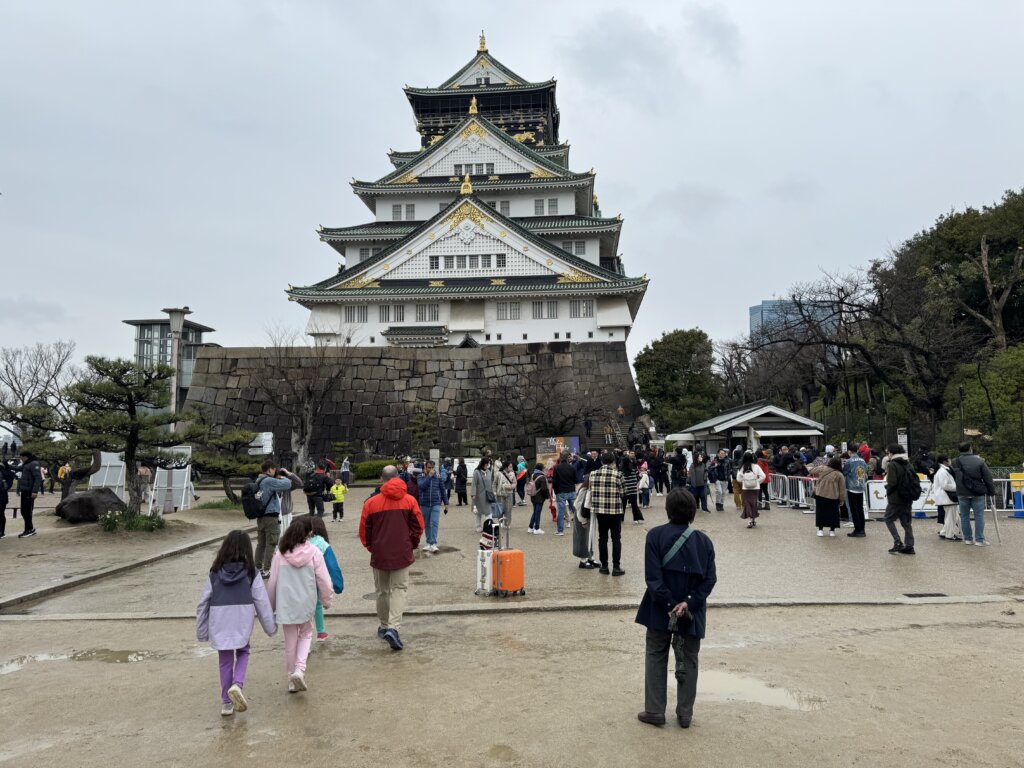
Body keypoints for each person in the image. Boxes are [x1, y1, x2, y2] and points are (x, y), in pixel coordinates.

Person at [636, 488, 717, 729]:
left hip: (659, 608)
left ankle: (654, 709)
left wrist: (671, 604)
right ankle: (685, 713)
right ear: (693, 511)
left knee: (656, 655)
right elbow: (710, 579)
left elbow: (652, 578)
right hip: (692, 611)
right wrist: (688, 603)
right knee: (689, 659)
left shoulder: (655, 536)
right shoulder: (704, 541)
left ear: (668, 510)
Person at [196, 530, 277, 716]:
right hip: (241, 620)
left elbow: (203, 603)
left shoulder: (214, 574)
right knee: (243, 651)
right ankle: (237, 684)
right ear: (248, 549)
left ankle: (226, 702)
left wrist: (202, 631)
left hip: (220, 620)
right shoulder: (251, 574)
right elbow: (262, 603)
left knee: (224, 660)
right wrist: (270, 628)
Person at [359, 465, 423, 651]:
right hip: (402, 551)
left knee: (382, 591)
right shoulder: (410, 500)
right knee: (399, 589)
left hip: (379, 552)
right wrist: (411, 543)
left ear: (382, 479)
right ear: (398, 477)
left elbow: (364, 531)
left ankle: (384, 625)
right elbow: (418, 526)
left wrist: (372, 547)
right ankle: (394, 628)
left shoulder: (371, 503)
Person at [267, 517, 333, 692]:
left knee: (290, 641)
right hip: (306, 603)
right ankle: (299, 670)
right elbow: (324, 580)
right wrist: (326, 600)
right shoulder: (314, 553)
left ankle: (291, 678)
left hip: (285, 604)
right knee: (305, 634)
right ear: (310, 532)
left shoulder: (279, 555)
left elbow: (272, 583)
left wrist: (270, 607)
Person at [253, 460, 299, 577]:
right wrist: (284, 476)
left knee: (261, 544)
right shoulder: (268, 480)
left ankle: (257, 568)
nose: (275, 472)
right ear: (270, 469)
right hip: (270, 517)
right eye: (274, 469)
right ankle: (267, 570)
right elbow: (288, 483)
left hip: (261, 517)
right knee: (271, 543)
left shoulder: (258, 480)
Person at [588, 451, 626, 576]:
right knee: (616, 539)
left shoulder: (593, 474)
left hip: (600, 511)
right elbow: (623, 492)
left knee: (602, 538)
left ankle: (604, 566)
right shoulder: (618, 475)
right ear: (613, 462)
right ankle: (616, 567)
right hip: (615, 511)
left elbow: (591, 490)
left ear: (602, 461)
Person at [308, 516, 345, 641]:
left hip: (300, 582)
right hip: (316, 582)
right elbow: (332, 567)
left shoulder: (301, 542)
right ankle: (321, 632)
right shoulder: (323, 544)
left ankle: (311, 632)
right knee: (317, 605)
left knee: (306, 607)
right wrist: (338, 586)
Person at [952, 442, 996, 547]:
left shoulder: (954, 462)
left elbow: (954, 476)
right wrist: (991, 491)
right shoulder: (980, 461)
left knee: (964, 516)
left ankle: (968, 539)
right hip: (977, 493)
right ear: (970, 448)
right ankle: (980, 540)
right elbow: (988, 478)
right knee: (979, 516)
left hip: (962, 492)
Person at [883, 443, 917, 555]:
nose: (887, 455)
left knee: (888, 518)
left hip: (896, 499)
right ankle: (910, 546)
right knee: (906, 523)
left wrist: (887, 489)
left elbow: (892, 482)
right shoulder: (908, 463)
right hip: (908, 497)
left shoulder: (892, 465)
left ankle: (897, 542)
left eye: (887, 452)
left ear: (892, 453)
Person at [417, 460, 449, 553]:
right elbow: (422, 486)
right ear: (425, 468)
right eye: (429, 468)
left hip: (436, 503)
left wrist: (446, 503)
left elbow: (443, 490)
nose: (431, 470)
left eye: (432, 468)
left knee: (434, 523)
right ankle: (428, 543)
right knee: (426, 524)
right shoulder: (420, 476)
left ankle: (434, 543)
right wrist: (429, 476)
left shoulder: (438, 477)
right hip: (424, 503)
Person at [810, 457, 846, 537]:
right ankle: (832, 530)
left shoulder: (823, 468)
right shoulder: (839, 474)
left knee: (820, 512)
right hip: (833, 496)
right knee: (833, 514)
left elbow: (812, 470)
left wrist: (821, 466)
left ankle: (820, 529)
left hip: (820, 494)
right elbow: (842, 488)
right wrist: (842, 498)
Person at [933, 455, 962, 541]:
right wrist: (958, 487)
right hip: (947, 498)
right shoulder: (943, 472)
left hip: (946, 498)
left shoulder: (943, 470)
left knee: (953, 517)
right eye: (949, 460)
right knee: (951, 518)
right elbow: (945, 485)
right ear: (945, 461)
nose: (950, 461)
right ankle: (949, 535)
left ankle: (945, 532)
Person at [842, 445, 869, 538]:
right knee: (860, 509)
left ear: (849, 452)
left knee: (854, 510)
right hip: (861, 487)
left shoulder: (849, 461)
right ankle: (862, 529)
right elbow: (866, 470)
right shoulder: (862, 460)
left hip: (852, 487)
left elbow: (844, 472)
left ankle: (857, 530)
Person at [15, 450, 42, 538]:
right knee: (24, 511)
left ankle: (29, 529)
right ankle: (29, 529)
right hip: (25, 490)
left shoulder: (34, 464)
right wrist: (6, 465)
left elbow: (38, 478)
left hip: (29, 491)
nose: (20, 459)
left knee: (27, 511)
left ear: (25, 457)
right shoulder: (27, 464)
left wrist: (35, 491)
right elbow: (17, 468)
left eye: (21, 457)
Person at [736, 451, 766, 528]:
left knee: (747, 503)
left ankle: (750, 520)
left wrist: (745, 480)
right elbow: (763, 476)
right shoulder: (756, 466)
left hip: (746, 488)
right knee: (754, 503)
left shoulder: (742, 467)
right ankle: (753, 519)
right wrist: (757, 482)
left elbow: (738, 479)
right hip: (755, 488)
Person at [551, 451, 578, 536]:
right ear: (567, 458)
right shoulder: (572, 468)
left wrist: (556, 491)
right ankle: (580, 528)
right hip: (571, 490)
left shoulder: (556, 468)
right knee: (575, 510)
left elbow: (554, 482)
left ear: (560, 457)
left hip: (561, 491)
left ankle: (560, 530)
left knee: (561, 511)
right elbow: (576, 480)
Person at [275, 465, 302, 532]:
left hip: (288, 513)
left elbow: (299, 483)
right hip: (278, 514)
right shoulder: (274, 484)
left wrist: (289, 474)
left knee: (288, 534)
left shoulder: (288, 485)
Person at [472, 457, 495, 532]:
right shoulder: (476, 472)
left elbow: (491, 483)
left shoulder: (489, 472)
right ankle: (478, 526)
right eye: (487, 464)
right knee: (478, 513)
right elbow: (474, 484)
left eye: (488, 464)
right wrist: (473, 494)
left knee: (488, 512)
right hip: (479, 495)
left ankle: (488, 526)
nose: (488, 465)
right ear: (483, 464)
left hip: (487, 495)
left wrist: (492, 492)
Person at [620, 453, 644, 524]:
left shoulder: (621, 472)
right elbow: (640, 476)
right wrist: (635, 482)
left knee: (622, 505)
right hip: (633, 490)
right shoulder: (634, 470)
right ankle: (636, 519)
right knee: (634, 505)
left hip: (624, 491)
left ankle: (621, 519)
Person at [493, 457, 516, 526]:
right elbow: (494, 483)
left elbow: (514, 483)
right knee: (500, 510)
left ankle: (507, 524)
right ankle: (500, 522)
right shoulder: (498, 474)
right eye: (510, 467)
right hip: (500, 494)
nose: (511, 468)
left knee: (508, 510)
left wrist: (510, 487)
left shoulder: (513, 474)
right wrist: (494, 492)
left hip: (509, 494)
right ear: (506, 467)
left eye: (511, 467)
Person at [527, 462, 548, 535]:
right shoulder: (542, 477)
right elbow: (544, 489)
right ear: (541, 468)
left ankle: (530, 527)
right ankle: (537, 528)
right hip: (539, 497)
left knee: (535, 512)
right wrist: (547, 496)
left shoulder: (533, 475)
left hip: (533, 496)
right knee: (538, 512)